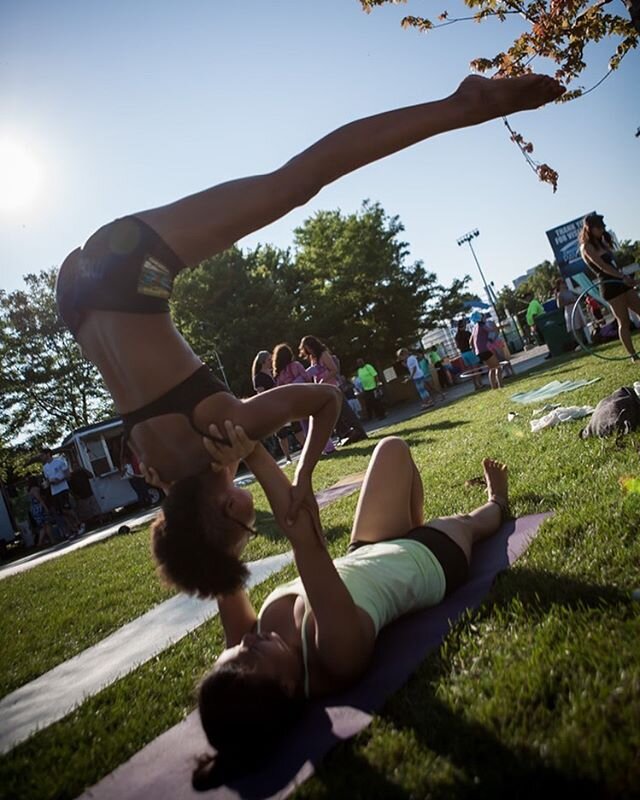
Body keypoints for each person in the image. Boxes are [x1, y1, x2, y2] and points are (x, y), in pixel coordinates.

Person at [56, 73, 563, 585]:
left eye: (248, 529)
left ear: (230, 510)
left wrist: (302, 472)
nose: (257, 520)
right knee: (289, 184)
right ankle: (463, 105)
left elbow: (327, 401)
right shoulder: (163, 473)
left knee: (296, 183)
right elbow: (182, 490)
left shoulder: (220, 432)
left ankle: (463, 106)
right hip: (77, 304)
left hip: (126, 278)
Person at [151, 423, 509, 784]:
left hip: (367, 551)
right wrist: (254, 453)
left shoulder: (250, 652)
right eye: (251, 653)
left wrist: (179, 495)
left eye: (232, 652)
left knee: (392, 448)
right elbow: (303, 532)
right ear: (287, 687)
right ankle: (497, 500)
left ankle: (412, 522)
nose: (245, 640)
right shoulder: (336, 657)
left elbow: (218, 560)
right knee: (473, 522)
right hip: (427, 557)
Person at [579, 213, 640, 361]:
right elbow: (602, 266)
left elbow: (613, 264)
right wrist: (622, 278)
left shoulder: (602, 242)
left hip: (621, 281)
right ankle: (633, 355)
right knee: (623, 321)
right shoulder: (586, 247)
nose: (602, 229)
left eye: (603, 226)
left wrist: (626, 278)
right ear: (590, 228)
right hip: (609, 285)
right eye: (599, 227)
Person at [299, 336, 367, 446]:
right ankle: (346, 434)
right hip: (323, 389)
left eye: (309, 348)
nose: (309, 351)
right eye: (306, 349)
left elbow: (334, 370)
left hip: (333, 386)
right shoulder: (312, 358)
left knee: (345, 411)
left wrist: (323, 379)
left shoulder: (323, 354)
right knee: (334, 414)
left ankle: (359, 431)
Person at [252, 349, 304, 464]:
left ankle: (306, 448)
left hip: (284, 403)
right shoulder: (259, 377)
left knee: (296, 426)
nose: (271, 361)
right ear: (263, 362)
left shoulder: (273, 373)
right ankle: (288, 458)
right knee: (282, 433)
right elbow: (261, 394)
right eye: (269, 360)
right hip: (273, 406)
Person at [40, 449, 85, 536]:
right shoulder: (45, 467)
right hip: (54, 492)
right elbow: (47, 479)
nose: (41, 457)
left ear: (48, 454)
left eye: (42, 455)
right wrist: (48, 483)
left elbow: (68, 475)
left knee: (67, 509)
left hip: (63, 488)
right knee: (61, 512)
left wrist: (59, 480)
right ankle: (73, 529)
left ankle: (80, 523)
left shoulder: (59, 462)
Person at [554, 278, 591, 349]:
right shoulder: (560, 294)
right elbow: (559, 305)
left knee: (580, 326)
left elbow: (578, 296)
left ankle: (585, 340)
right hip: (569, 311)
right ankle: (580, 343)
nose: (564, 284)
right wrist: (569, 302)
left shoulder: (569, 290)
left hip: (577, 309)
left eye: (564, 283)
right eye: (562, 283)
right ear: (559, 285)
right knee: (575, 328)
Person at [470, 312, 503, 389]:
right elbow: (492, 330)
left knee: (492, 368)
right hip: (484, 350)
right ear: (480, 318)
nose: (484, 318)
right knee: (498, 367)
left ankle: (494, 387)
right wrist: (498, 327)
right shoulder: (482, 325)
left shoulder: (474, 327)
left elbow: (471, 341)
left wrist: (474, 350)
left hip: (479, 352)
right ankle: (500, 385)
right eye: (482, 317)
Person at [454, 319, 484, 391]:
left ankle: (476, 385)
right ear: (464, 325)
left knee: (471, 371)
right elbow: (473, 341)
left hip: (463, 354)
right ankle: (480, 384)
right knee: (476, 369)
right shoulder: (467, 333)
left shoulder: (457, 336)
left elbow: (457, 346)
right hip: (469, 351)